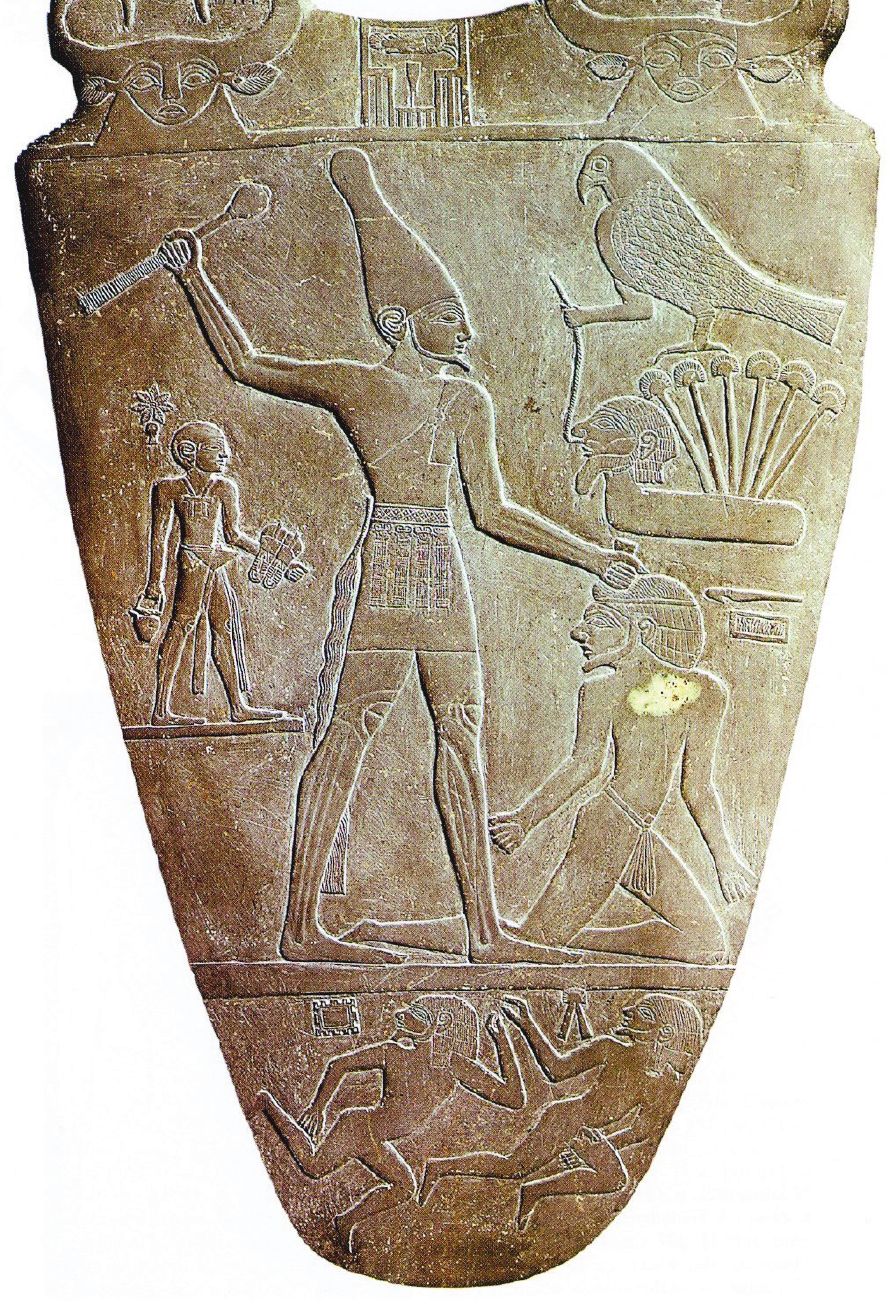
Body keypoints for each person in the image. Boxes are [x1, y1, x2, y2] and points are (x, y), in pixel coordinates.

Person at [157, 147, 629, 964]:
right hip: (390, 565)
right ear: (400, 323)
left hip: (436, 568)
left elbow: (494, 510)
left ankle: (485, 930)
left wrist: (588, 554)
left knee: (461, 732)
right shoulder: (360, 384)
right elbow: (248, 364)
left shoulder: (463, 398)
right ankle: (301, 925)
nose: (466, 331)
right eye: (449, 316)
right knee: (348, 732)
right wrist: (194, 275)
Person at [490, 567, 754, 960]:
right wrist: (524, 820)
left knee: (708, 945)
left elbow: (697, 787)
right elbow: (585, 765)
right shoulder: (602, 692)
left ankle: (569, 942)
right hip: (607, 827)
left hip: (637, 834)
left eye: (597, 622)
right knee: (529, 947)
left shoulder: (705, 694)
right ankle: (440, 932)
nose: (580, 633)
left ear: (643, 629)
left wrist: (726, 859)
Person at [253, 996, 524, 1253]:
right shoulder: (394, 1052)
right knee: (313, 1166)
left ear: (439, 1029)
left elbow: (513, 1098)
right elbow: (339, 1065)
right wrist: (318, 1107)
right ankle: (267, 1103)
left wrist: (502, 1039)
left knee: (405, 1187)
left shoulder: (454, 1065)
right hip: (358, 1129)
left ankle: (345, 1222)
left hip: (374, 1138)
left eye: (418, 1017)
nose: (406, 1019)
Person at [418, 991, 703, 1229]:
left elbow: (641, 1130)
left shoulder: (665, 1081)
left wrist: (606, 1142)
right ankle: (439, 1168)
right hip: (567, 1119)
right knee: (512, 1167)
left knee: (615, 1179)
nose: (627, 1011)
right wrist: (526, 1022)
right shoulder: (611, 1048)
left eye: (643, 1013)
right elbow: (557, 1069)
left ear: (665, 1032)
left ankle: (534, 1191)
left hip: (588, 1133)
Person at [134, 420, 294, 726]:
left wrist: (277, 561)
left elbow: (233, 535)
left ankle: (238, 706)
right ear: (189, 452)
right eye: (216, 449)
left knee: (224, 628)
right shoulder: (169, 489)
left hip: (216, 561)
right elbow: (160, 538)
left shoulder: (224, 488)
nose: (225, 455)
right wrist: (155, 583)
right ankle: (161, 710)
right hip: (192, 562)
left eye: (225, 449)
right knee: (181, 627)